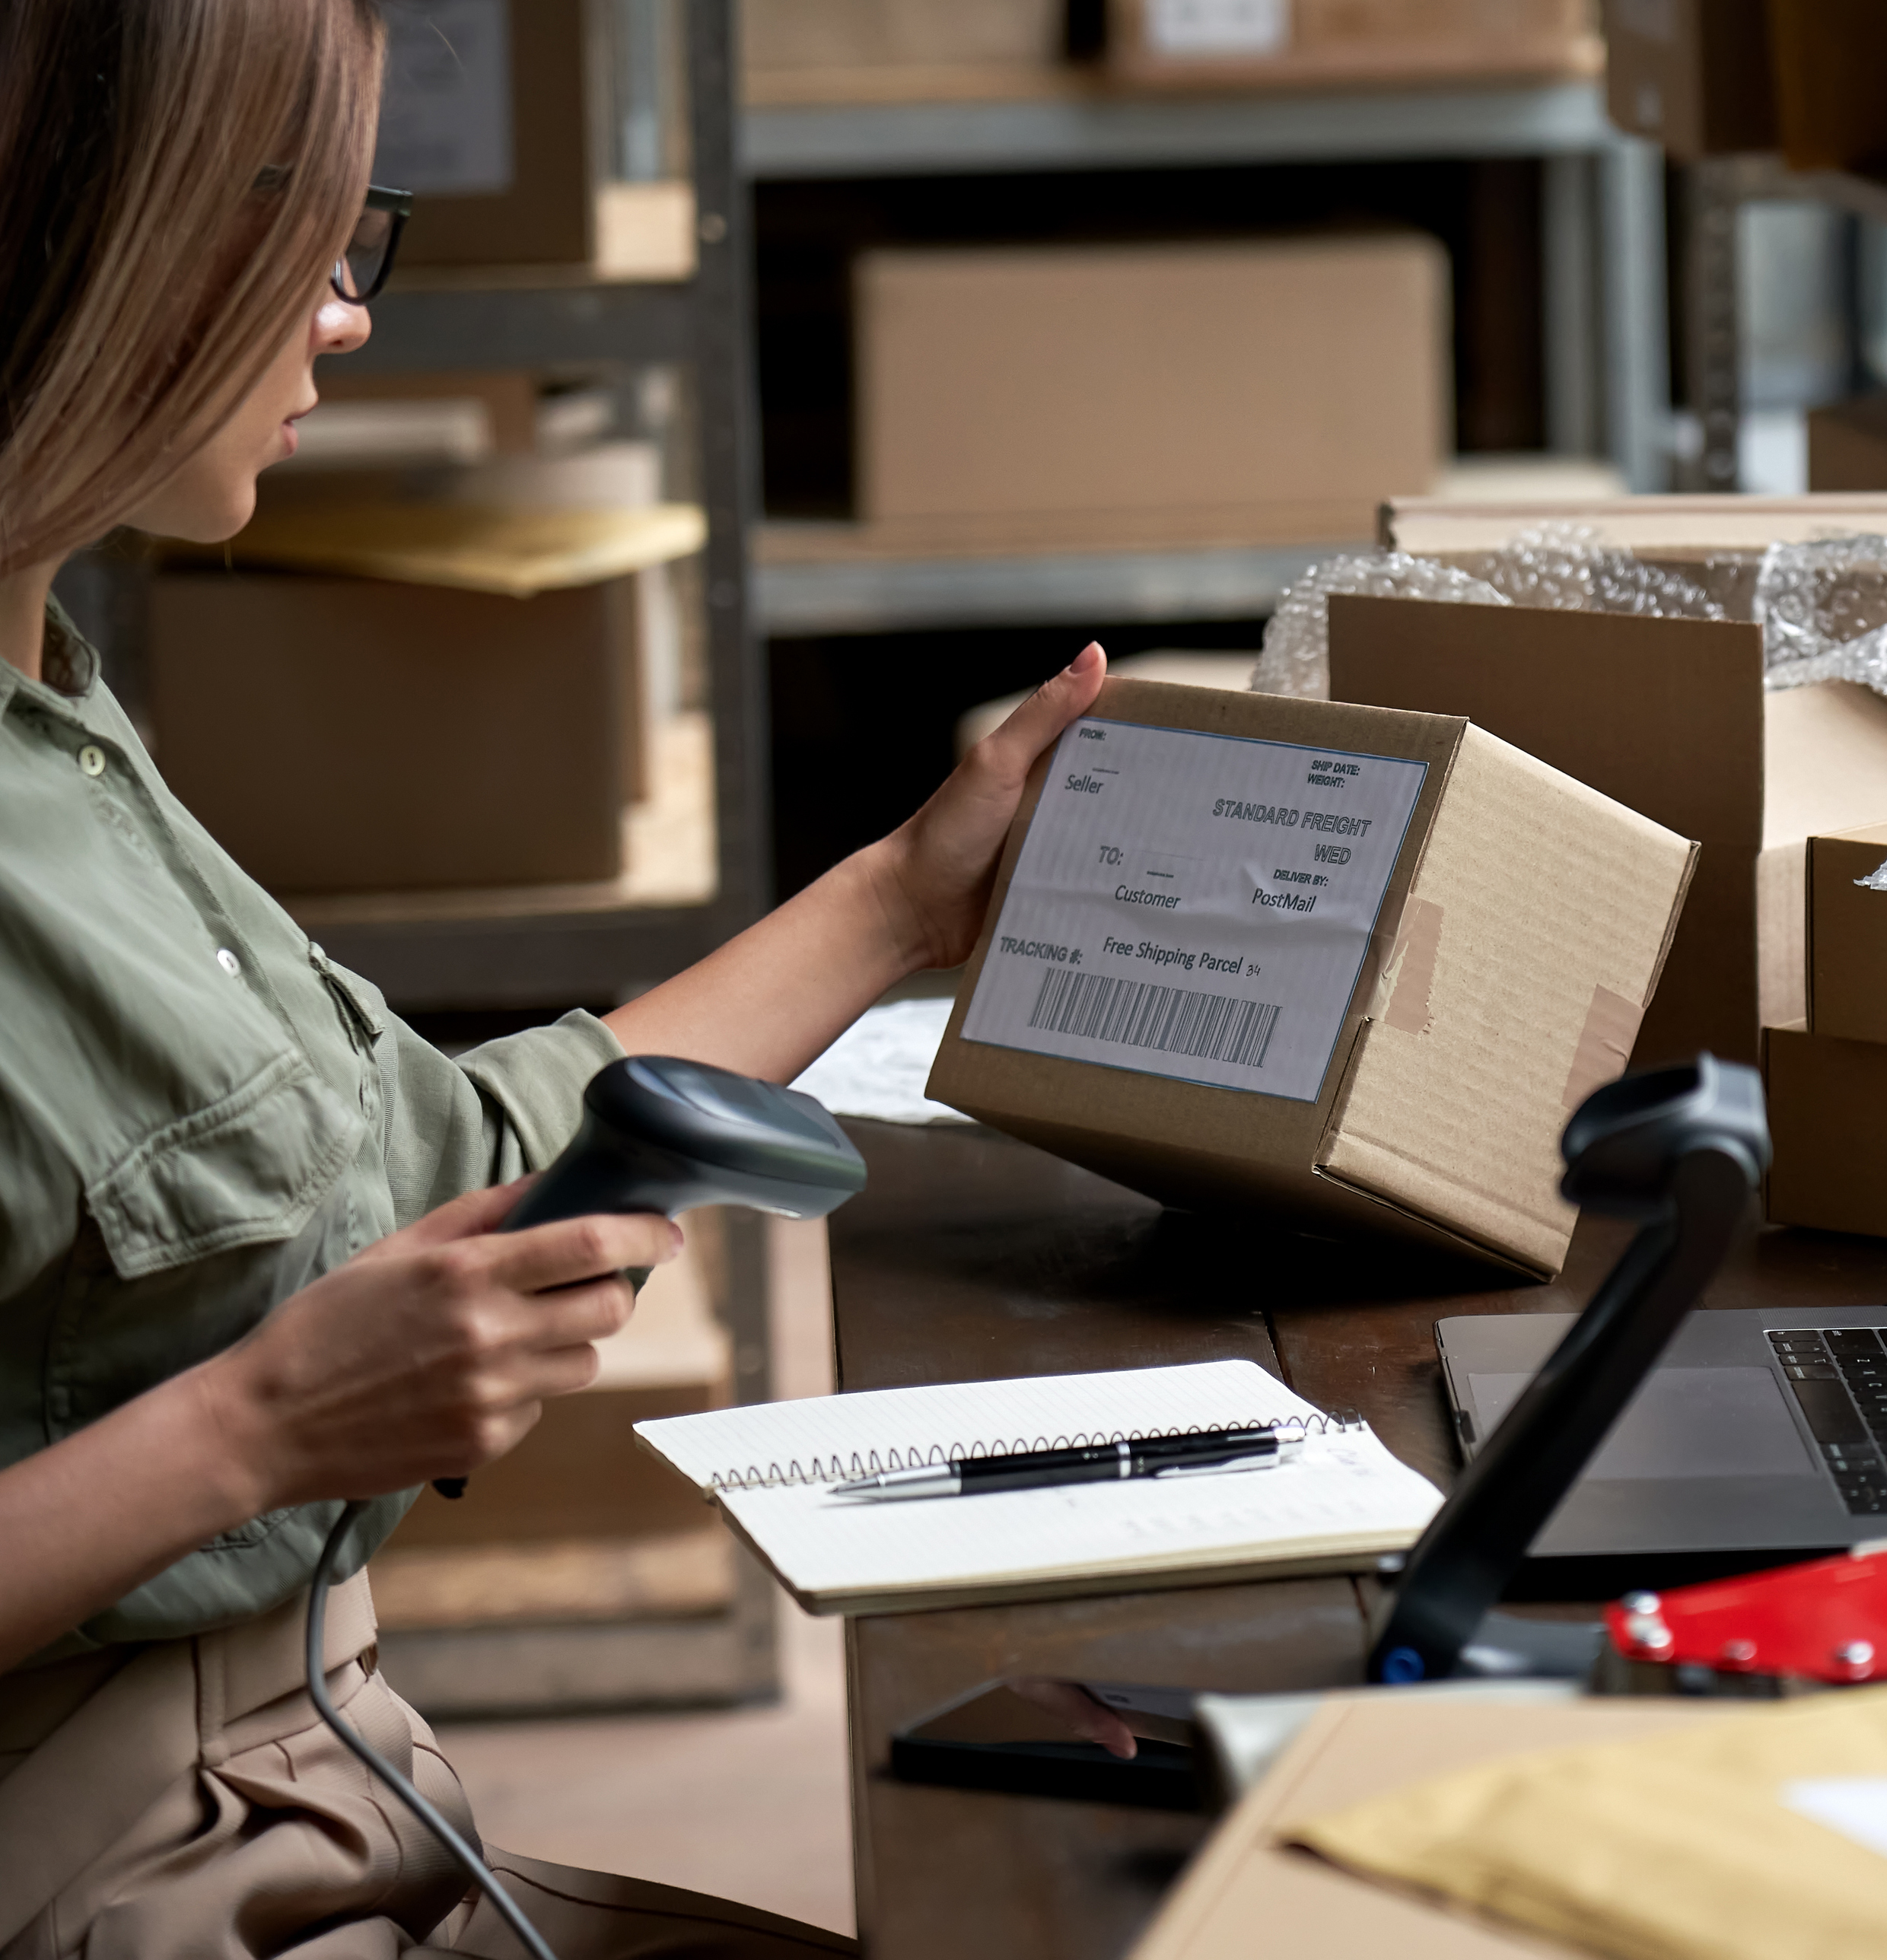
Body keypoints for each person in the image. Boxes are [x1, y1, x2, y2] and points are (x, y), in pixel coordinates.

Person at [0, 2, 1110, 1951]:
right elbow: (291, 1352)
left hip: (324, 1780)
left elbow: (435, 1151)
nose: (344, 313)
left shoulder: (59, 715)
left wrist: (907, 900)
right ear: (86, 234)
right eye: (292, 237)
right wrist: (255, 1425)